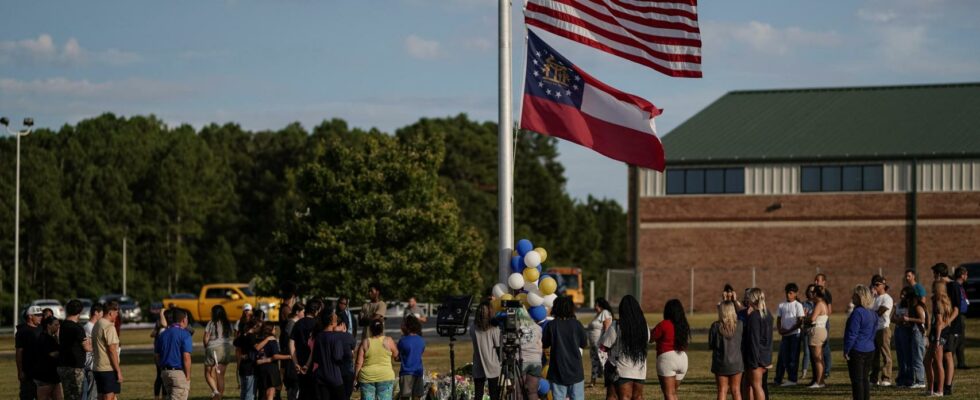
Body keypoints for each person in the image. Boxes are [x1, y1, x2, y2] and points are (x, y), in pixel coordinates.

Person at [598, 295, 647, 400]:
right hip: (640, 369)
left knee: (623, 397)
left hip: (621, 369)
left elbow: (604, 346)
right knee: (638, 397)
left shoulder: (616, 325)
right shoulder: (644, 326)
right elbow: (647, 341)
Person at [543, 296, 588, 400]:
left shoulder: (551, 325)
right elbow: (584, 344)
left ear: (556, 308)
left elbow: (545, 344)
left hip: (557, 370)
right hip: (576, 371)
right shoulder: (577, 324)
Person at [932, 262, 962, 395]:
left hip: (952, 327)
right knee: (939, 356)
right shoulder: (942, 286)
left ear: (939, 274)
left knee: (948, 355)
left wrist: (946, 323)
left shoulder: (954, 286)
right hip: (942, 326)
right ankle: (940, 384)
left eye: (934, 274)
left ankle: (948, 386)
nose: (934, 277)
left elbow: (956, 309)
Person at [306, 309, 348, 400]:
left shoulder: (318, 337)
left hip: (320, 377)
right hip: (334, 376)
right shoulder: (336, 337)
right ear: (331, 322)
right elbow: (338, 357)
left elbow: (316, 358)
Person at [844, 285, 876, 400]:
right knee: (864, 379)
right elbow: (873, 332)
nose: (852, 297)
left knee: (857, 381)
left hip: (857, 350)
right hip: (870, 349)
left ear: (859, 297)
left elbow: (852, 334)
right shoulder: (872, 313)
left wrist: (847, 350)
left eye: (854, 294)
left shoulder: (857, 313)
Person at [892, 286, 927, 389]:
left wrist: (907, 319)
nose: (902, 296)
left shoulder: (917, 306)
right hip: (910, 331)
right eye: (901, 294)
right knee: (908, 357)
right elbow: (893, 318)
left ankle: (920, 381)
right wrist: (901, 319)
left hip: (916, 332)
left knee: (916, 358)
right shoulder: (905, 305)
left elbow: (922, 320)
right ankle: (908, 380)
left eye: (905, 294)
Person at [355, 319, 399, 400]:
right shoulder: (388, 340)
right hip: (385, 376)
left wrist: (356, 378)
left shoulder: (365, 342)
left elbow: (358, 363)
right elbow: (396, 355)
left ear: (371, 329)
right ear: (382, 329)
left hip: (367, 377)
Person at [741, 288, 772, 400]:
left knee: (756, 386)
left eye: (748, 297)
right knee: (748, 384)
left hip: (756, 359)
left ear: (752, 299)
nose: (747, 299)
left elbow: (753, 340)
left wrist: (754, 362)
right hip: (764, 356)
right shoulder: (767, 313)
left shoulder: (754, 316)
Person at [155, 309, 193, 400]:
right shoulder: (185, 334)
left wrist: (162, 369)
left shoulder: (162, 334)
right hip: (178, 373)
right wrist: (187, 376)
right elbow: (186, 357)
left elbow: (157, 355)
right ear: (184, 320)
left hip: (165, 373)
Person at [710, 300, 743, 400]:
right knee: (736, 390)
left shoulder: (715, 326)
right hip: (736, 362)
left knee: (722, 390)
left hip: (721, 362)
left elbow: (712, 345)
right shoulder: (740, 325)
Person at [926, 280, 953, 396]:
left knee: (937, 363)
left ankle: (940, 391)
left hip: (938, 336)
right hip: (938, 335)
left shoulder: (938, 302)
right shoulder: (944, 300)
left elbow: (939, 323)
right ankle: (931, 388)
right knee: (927, 361)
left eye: (933, 287)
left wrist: (936, 339)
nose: (931, 289)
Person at [292, 298, 324, 400]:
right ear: (316, 311)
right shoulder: (317, 325)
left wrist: (295, 362)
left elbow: (291, 343)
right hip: (313, 364)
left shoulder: (297, 324)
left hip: (300, 362)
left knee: (302, 391)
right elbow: (315, 346)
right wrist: (307, 364)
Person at [58, 300, 90, 400]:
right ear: (79, 312)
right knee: (77, 395)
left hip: (63, 365)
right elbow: (87, 347)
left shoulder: (63, 325)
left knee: (68, 396)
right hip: (75, 367)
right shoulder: (77, 328)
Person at [774, 283, 804, 386]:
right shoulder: (781, 305)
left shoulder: (798, 305)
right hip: (785, 335)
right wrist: (780, 329)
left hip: (795, 335)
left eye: (791, 293)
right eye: (787, 293)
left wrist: (789, 330)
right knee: (784, 357)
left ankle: (792, 379)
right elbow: (778, 319)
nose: (788, 295)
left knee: (793, 358)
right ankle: (779, 378)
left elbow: (800, 321)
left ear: (795, 293)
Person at [470, 300, 501, 400]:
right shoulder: (494, 328)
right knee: (494, 394)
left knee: (478, 394)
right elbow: (498, 346)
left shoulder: (473, 327)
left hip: (478, 362)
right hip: (492, 363)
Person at [92, 301, 122, 400]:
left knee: (100, 396)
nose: (117, 315)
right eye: (116, 312)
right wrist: (118, 371)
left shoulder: (97, 324)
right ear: (110, 313)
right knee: (109, 397)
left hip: (97, 367)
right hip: (108, 368)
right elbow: (112, 350)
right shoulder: (109, 327)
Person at [204, 305, 235, 399]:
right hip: (225, 349)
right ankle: (219, 397)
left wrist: (207, 347)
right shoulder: (228, 324)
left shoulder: (211, 323)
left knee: (207, 373)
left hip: (213, 349)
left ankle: (215, 391)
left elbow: (206, 338)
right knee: (220, 375)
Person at [868, 275, 894, 386]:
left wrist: (870, 314)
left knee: (885, 354)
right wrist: (870, 298)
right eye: (873, 284)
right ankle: (874, 379)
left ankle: (886, 378)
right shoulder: (873, 298)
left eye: (877, 285)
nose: (875, 287)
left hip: (883, 328)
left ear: (883, 285)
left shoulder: (887, 298)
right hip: (873, 329)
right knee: (874, 355)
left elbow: (880, 312)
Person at [255, 323, 289, 400]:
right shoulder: (272, 341)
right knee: (270, 393)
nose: (275, 330)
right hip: (271, 370)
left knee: (262, 392)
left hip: (260, 369)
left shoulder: (258, 339)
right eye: (274, 328)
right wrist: (289, 356)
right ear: (269, 330)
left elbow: (256, 349)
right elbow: (275, 356)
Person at [396, 315, 426, 400]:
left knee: (405, 397)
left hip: (406, 372)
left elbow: (398, 357)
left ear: (407, 327)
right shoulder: (421, 340)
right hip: (418, 372)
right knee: (417, 397)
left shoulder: (403, 340)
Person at [17, 306, 44, 400]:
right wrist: (20, 371)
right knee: (27, 395)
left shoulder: (42, 329)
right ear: (30, 316)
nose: (41, 317)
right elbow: (19, 352)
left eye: (41, 315)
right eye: (38, 315)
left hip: (41, 371)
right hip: (28, 371)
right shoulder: (22, 331)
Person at [586, 298, 613, 387]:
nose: (595, 307)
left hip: (600, 343)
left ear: (601, 305)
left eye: (596, 305)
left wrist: (605, 342)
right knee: (594, 362)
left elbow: (607, 327)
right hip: (593, 344)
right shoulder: (597, 315)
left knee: (603, 362)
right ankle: (592, 382)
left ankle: (608, 382)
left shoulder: (605, 312)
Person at [806, 286, 829, 388]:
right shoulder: (823, 303)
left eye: (812, 294)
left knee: (817, 358)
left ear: (815, 294)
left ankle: (819, 382)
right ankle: (821, 381)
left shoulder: (819, 304)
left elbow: (812, 319)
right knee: (820, 358)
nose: (811, 296)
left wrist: (805, 318)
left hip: (817, 331)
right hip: (822, 330)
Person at [36, 316, 64, 400]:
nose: (58, 327)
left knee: (58, 397)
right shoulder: (44, 338)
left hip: (53, 375)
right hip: (45, 375)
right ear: (48, 325)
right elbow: (50, 354)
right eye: (56, 325)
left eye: (58, 325)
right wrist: (61, 353)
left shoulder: (53, 338)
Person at [281, 302, 304, 400]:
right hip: (291, 361)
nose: (304, 314)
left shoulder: (292, 323)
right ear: (297, 312)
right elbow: (289, 344)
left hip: (291, 361)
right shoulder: (292, 324)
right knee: (293, 391)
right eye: (303, 312)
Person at [234, 318, 260, 400]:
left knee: (244, 392)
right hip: (250, 368)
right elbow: (257, 348)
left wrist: (243, 334)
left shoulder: (243, 336)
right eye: (258, 326)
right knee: (250, 394)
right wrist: (267, 340)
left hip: (243, 366)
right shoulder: (252, 337)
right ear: (254, 326)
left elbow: (235, 342)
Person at [814, 273, 833, 379]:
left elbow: (829, 310)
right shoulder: (815, 292)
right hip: (816, 322)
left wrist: (822, 317)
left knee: (825, 346)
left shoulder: (826, 294)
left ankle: (826, 370)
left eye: (818, 280)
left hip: (823, 322)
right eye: (815, 280)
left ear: (824, 282)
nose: (816, 282)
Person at [952, 266, 969, 370]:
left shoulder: (961, 287)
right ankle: (949, 361)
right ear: (962, 275)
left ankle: (961, 362)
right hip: (957, 315)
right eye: (966, 274)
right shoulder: (956, 286)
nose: (967, 276)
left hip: (962, 315)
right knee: (956, 339)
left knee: (961, 340)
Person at [799, 284, 816, 381]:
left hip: (816, 331)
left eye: (813, 291)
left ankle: (822, 372)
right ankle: (804, 372)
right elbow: (801, 318)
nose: (811, 293)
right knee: (807, 352)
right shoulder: (803, 304)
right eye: (810, 291)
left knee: (817, 353)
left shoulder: (818, 303)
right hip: (806, 330)